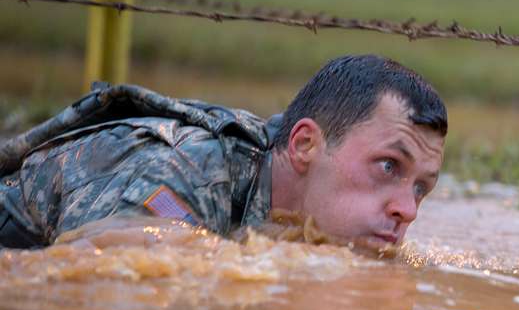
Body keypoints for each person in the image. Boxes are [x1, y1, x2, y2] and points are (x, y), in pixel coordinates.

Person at [0, 54, 447, 251]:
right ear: (305, 146)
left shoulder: (287, 199)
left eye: (422, 188)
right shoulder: (186, 170)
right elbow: (93, 276)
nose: (407, 210)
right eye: (389, 166)